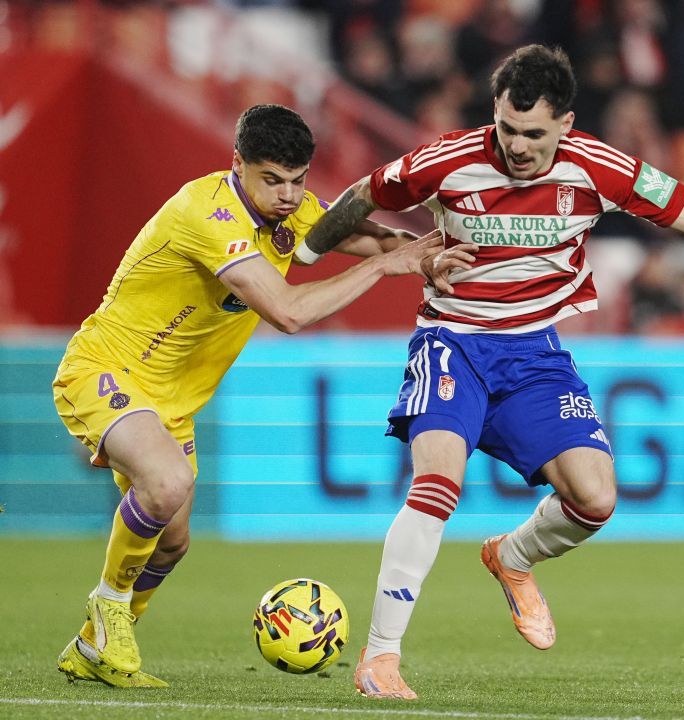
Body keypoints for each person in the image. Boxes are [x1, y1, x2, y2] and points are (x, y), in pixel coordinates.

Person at [299, 44, 684, 700]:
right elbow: (357, 195)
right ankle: (380, 659)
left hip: (534, 355)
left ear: (567, 126)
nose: (517, 148)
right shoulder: (447, 161)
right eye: (507, 129)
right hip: (451, 341)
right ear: (493, 112)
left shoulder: (601, 169)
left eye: (534, 135)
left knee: (597, 497)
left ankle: (511, 556)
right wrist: (304, 246)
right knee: (438, 480)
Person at [52, 104, 445, 688]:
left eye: (298, 180)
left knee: (173, 543)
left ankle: (92, 647)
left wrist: (438, 250)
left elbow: (373, 235)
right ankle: (107, 607)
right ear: (237, 164)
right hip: (104, 368)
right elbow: (286, 311)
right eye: (272, 179)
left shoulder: (294, 214)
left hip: (172, 403)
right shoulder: (207, 213)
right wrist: (392, 265)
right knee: (167, 483)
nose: (288, 195)